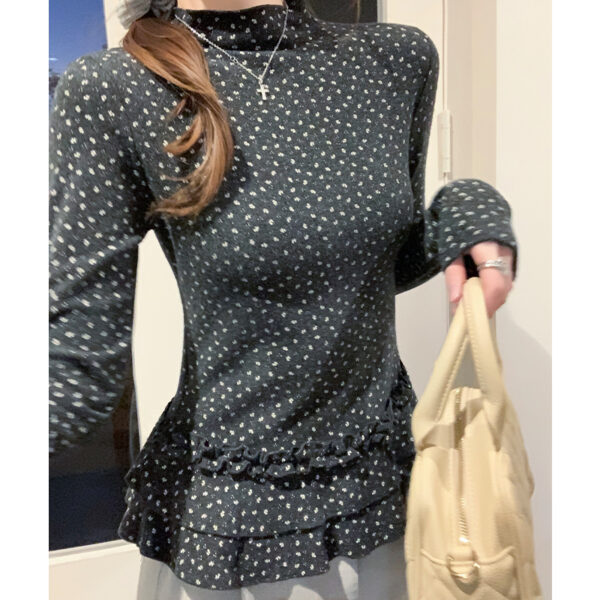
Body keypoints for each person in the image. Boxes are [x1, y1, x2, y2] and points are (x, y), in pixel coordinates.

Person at [48, 0, 517, 598]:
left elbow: (379, 263)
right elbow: (79, 362)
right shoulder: (115, 88)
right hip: (237, 522)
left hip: (387, 492)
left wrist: (467, 208)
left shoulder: (395, 60)